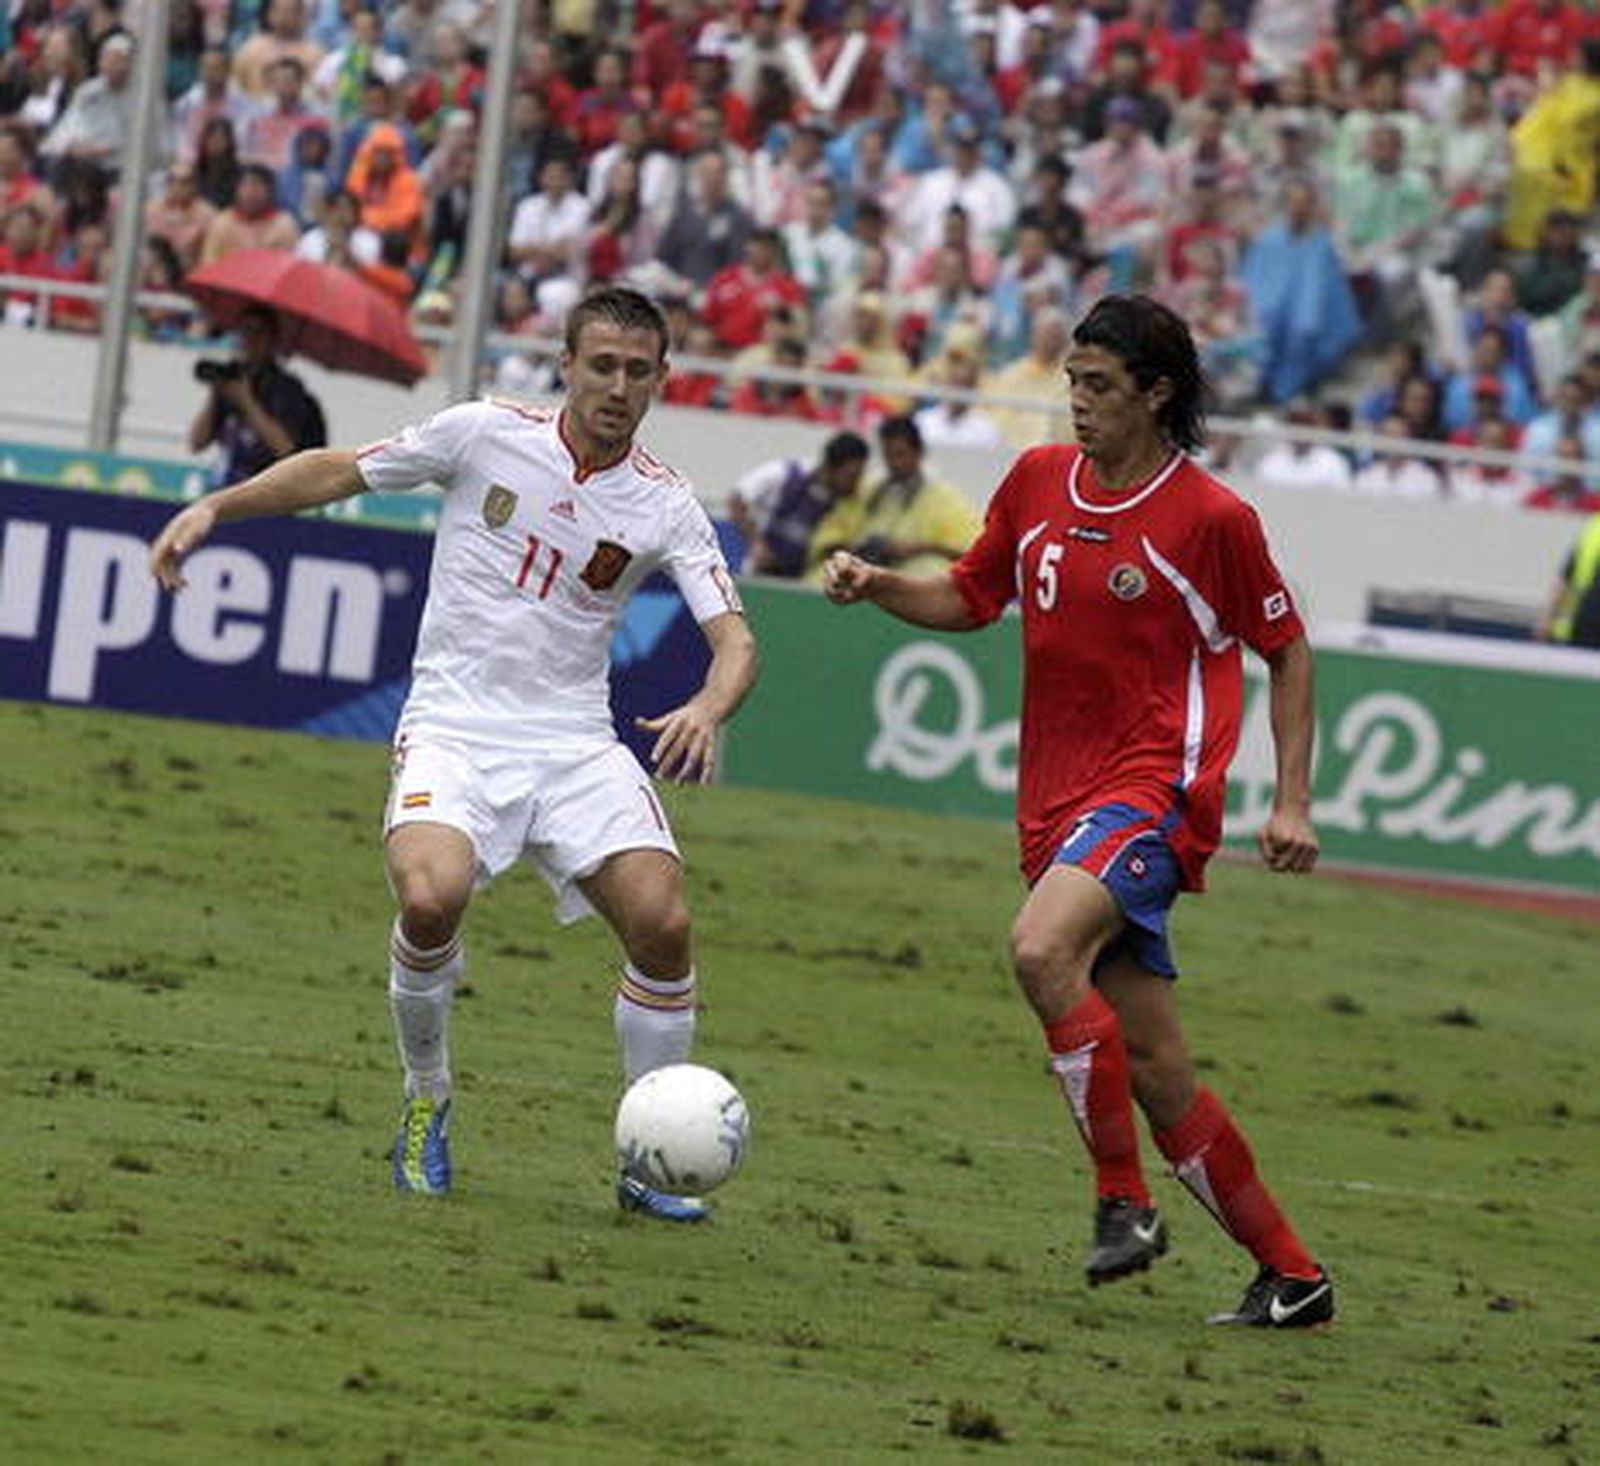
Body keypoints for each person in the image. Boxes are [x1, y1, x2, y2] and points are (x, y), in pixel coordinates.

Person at [151, 287, 759, 1221]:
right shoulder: (482, 432)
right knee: (432, 900)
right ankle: (427, 1095)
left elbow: (736, 642)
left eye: (639, 372)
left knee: (665, 924)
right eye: (602, 365)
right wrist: (215, 509)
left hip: (574, 744)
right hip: (454, 728)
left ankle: (645, 1159)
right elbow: (341, 470)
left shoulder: (667, 503)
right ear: (565, 365)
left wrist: (711, 707)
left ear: (661, 381)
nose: (619, 387)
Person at [821, 295, 1334, 1329]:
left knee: (1037, 948)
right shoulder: (1035, 482)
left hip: (1155, 794)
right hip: (1055, 805)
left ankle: (1124, 1202)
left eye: (1100, 386)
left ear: (1157, 393)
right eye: (1072, 383)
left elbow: (1285, 647)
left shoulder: (1213, 518)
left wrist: (1288, 801)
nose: (1079, 405)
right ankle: (1292, 1274)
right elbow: (971, 595)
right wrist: (879, 582)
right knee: (1153, 1066)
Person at [810, 414, 982, 579]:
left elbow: (972, 553)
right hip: (864, 573)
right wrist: (857, 551)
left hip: (909, 582)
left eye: (900, 454)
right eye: (888, 455)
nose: (894, 463)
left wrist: (921, 548)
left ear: (918, 453)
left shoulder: (946, 500)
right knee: (825, 573)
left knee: (929, 566)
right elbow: (829, 539)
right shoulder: (869, 490)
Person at [188, 306, 328, 487]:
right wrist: (216, 394)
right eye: (244, 331)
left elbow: (284, 448)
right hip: (227, 486)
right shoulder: (234, 378)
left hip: (272, 491)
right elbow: (196, 443)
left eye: (258, 332)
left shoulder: (287, 388)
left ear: (272, 340)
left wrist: (247, 403)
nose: (249, 339)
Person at [729, 430, 869, 577]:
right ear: (830, 467)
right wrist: (757, 543)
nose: (855, 484)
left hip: (799, 580)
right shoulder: (785, 474)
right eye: (851, 476)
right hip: (759, 573)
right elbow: (736, 500)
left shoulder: (847, 502)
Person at [1538, 511, 1600, 647]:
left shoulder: (1595, 526)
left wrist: (1547, 618)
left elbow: (1565, 578)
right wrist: (1547, 618)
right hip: (1578, 627)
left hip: (1577, 626)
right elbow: (1566, 577)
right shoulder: (1594, 526)